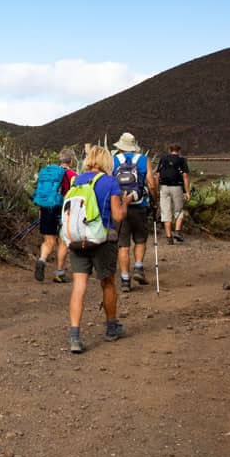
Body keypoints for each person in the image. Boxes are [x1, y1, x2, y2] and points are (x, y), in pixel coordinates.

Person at [67, 145, 129, 353]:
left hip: (77, 239)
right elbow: (118, 216)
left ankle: (75, 336)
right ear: (106, 162)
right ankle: (111, 327)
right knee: (108, 283)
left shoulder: (76, 180)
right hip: (102, 240)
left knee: (79, 285)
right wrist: (126, 202)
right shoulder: (110, 182)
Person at [112, 132, 158, 292]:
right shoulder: (144, 160)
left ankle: (125, 280)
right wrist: (154, 201)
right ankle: (138, 268)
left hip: (120, 206)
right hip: (139, 205)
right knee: (140, 239)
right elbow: (151, 183)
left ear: (120, 146)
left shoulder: (114, 160)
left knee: (123, 245)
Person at [34, 148, 78, 283]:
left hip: (46, 208)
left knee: (49, 241)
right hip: (63, 210)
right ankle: (59, 273)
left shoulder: (49, 173)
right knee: (63, 241)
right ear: (71, 161)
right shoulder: (72, 175)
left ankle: (42, 259)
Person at [156, 144, 191, 244]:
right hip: (177, 187)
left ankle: (169, 238)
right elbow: (185, 176)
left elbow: (158, 175)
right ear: (179, 151)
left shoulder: (163, 159)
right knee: (178, 210)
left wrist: (157, 190)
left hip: (164, 187)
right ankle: (177, 232)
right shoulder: (182, 159)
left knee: (165, 212)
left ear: (169, 150)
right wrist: (187, 191)